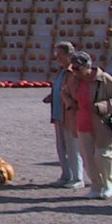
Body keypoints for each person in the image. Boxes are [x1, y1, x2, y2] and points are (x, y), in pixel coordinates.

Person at [62, 51, 112, 200]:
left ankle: (108, 184)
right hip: (82, 122)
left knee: (102, 155)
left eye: (77, 68)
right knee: (88, 157)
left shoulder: (105, 79)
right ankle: (96, 185)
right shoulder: (74, 81)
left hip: (102, 124)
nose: (74, 71)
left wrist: (101, 106)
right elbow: (64, 93)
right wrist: (70, 104)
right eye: (73, 68)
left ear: (87, 67)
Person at [42, 42, 84, 188]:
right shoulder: (61, 71)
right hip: (58, 113)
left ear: (69, 54)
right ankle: (66, 175)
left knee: (73, 146)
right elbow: (60, 89)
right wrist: (51, 96)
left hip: (69, 114)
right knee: (61, 146)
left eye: (60, 55)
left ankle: (78, 177)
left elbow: (75, 91)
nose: (57, 58)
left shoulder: (74, 72)